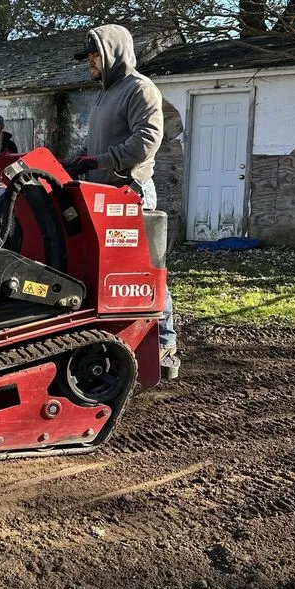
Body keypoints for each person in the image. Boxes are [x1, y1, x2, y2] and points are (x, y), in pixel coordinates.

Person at [66, 24, 180, 379]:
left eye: (95, 55)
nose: (90, 62)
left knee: (146, 272)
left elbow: (147, 140)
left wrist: (101, 161)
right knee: (109, 271)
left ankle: (164, 343)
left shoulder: (139, 89)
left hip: (131, 193)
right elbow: (97, 145)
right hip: (103, 196)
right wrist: (77, 159)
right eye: (89, 57)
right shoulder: (104, 94)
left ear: (113, 52)